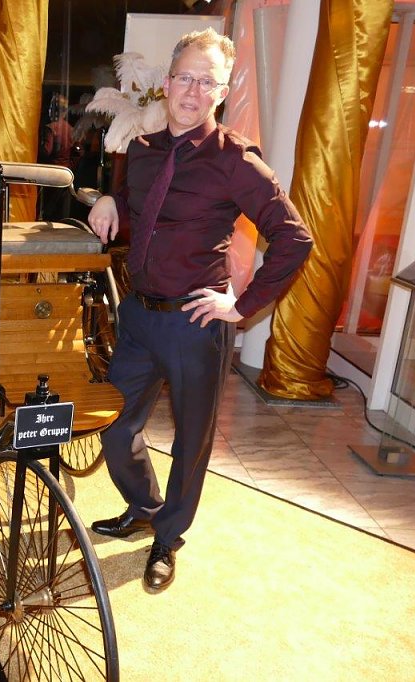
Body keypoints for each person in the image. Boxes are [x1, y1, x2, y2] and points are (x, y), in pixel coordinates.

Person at [86, 28, 312, 592]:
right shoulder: (142, 149)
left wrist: (242, 305)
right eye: (184, 77)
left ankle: (168, 537)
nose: (192, 90)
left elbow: (294, 238)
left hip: (195, 322)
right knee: (114, 425)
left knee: (190, 442)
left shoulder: (236, 161)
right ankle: (145, 507)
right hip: (139, 317)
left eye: (206, 81)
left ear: (222, 92)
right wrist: (111, 198)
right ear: (167, 83)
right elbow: (133, 199)